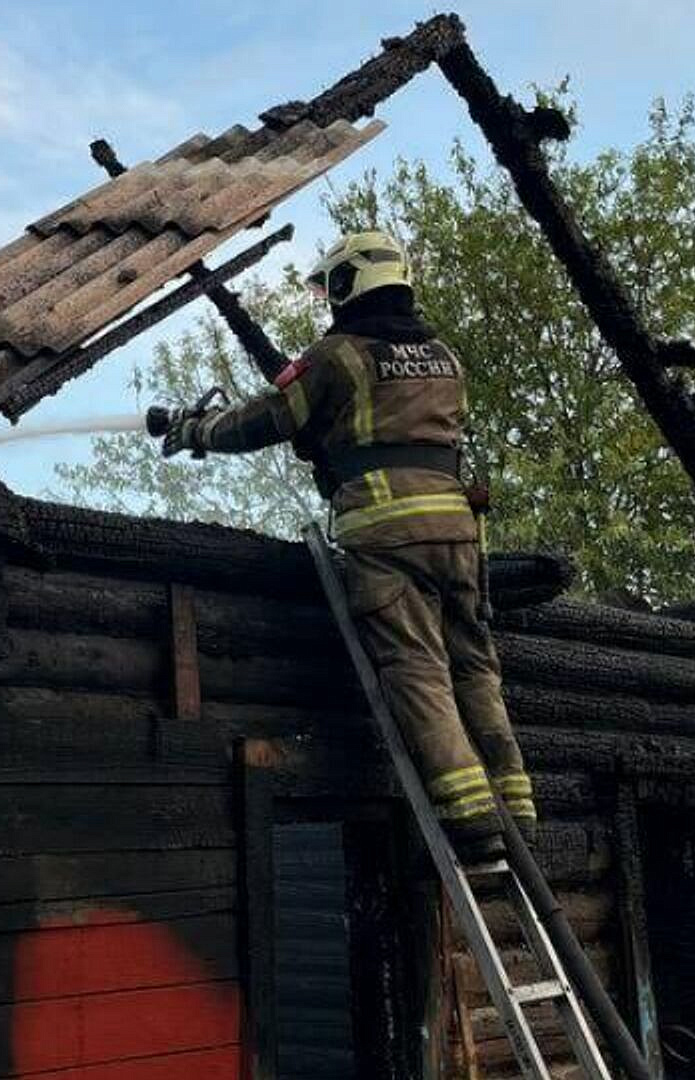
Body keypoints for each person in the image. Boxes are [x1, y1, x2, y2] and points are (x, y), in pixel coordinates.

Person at [154, 230, 530, 861]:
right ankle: (517, 806)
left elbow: (267, 419)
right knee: (474, 666)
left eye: (331, 286)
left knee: (417, 669)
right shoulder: (445, 356)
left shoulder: (339, 355)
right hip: (459, 532)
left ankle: (472, 818)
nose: (328, 299)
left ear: (353, 281)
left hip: (386, 533)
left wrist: (196, 430)